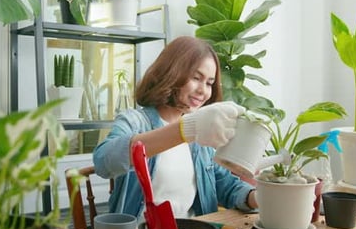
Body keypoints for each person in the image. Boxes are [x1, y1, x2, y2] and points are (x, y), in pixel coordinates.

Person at [93, 36, 257, 219]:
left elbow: (225, 184)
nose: (203, 90)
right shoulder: (135, 121)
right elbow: (103, 161)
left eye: (209, 83)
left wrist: (256, 197)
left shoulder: (200, 137)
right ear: (171, 72)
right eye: (196, 78)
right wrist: (186, 129)